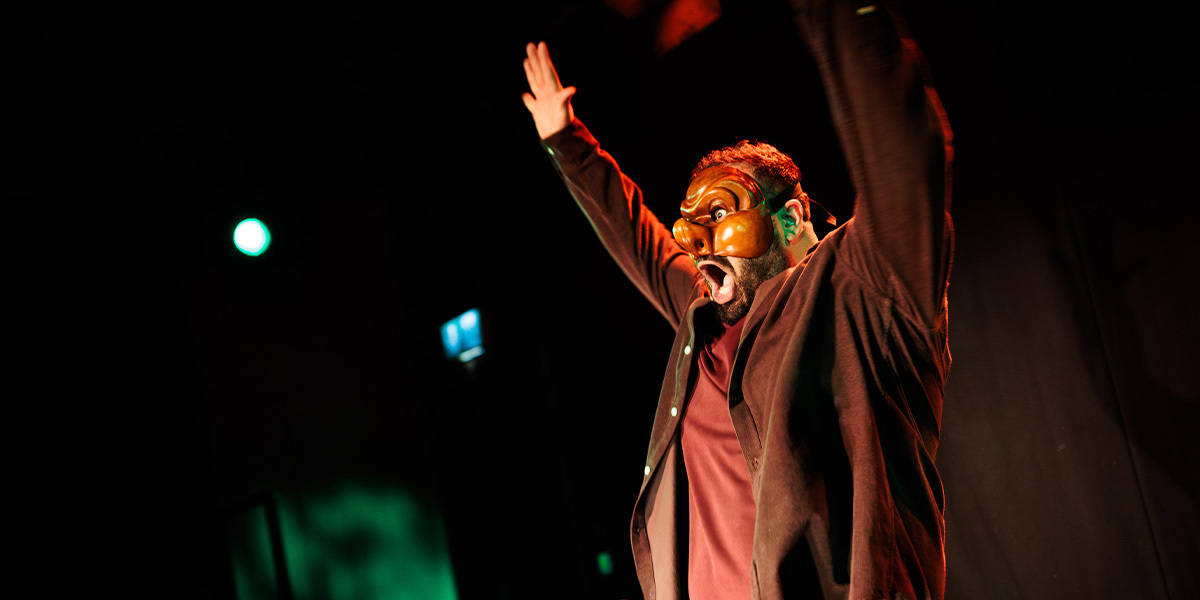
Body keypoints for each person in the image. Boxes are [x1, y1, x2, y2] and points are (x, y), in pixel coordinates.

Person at [522, 1, 953, 598]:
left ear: (791, 217)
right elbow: (640, 239)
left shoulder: (858, 292)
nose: (695, 242)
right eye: (690, 224)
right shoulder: (705, 316)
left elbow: (902, 161)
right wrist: (565, 142)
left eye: (720, 214)